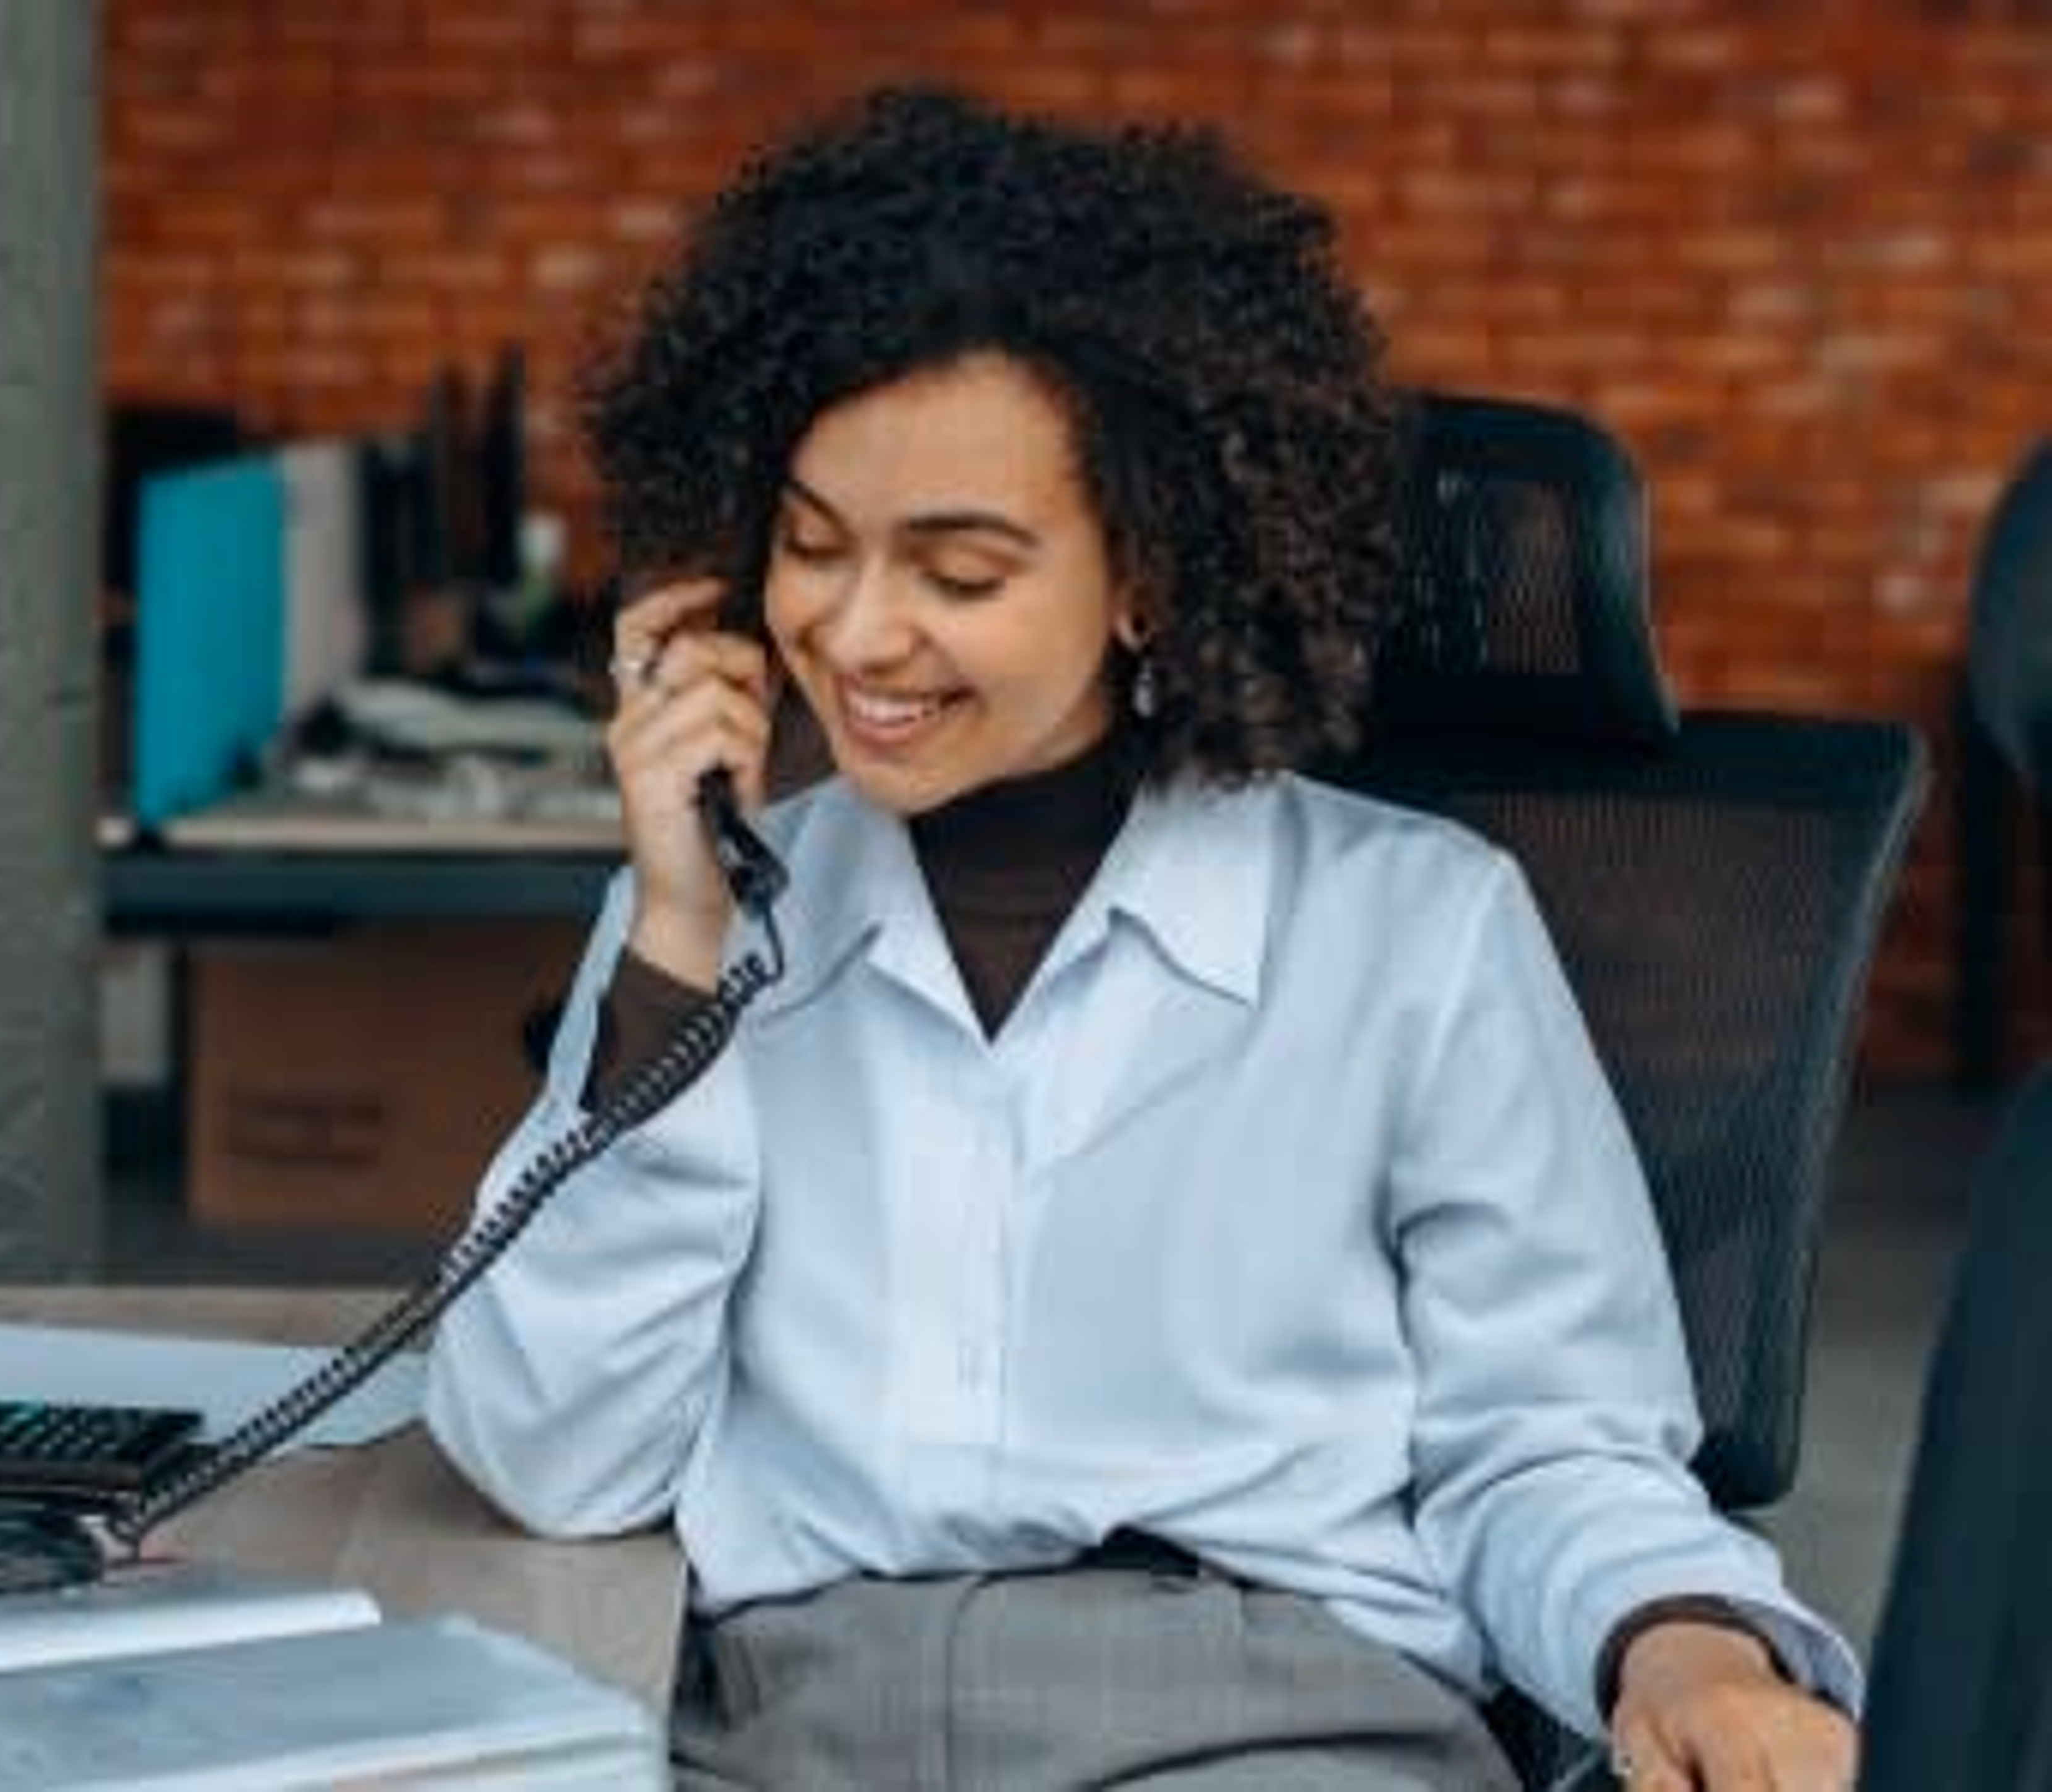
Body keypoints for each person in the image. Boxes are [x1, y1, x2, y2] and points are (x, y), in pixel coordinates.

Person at [427, 86, 1860, 1790]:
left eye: (957, 572)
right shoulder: (718, 916)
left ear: (1150, 580)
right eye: (811, 549)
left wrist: (1684, 1646)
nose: (858, 632)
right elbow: (552, 1456)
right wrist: (679, 942)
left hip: (1266, 1723)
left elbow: (1542, 1439)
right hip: (789, 1723)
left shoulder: (1417, 932)